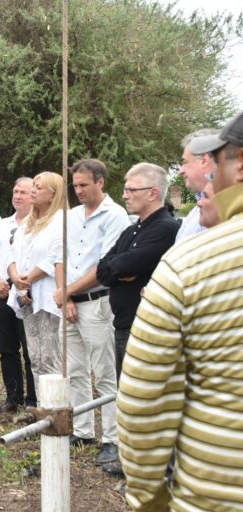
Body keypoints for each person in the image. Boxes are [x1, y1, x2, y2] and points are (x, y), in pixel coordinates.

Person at [117, 111, 243, 511]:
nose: (210, 179)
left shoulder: (188, 266)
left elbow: (144, 400)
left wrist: (149, 499)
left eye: (215, 165)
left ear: (239, 168)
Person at [95, 163, 178, 478]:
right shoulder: (132, 230)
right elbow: (105, 268)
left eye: (132, 190)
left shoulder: (166, 229)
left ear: (153, 193)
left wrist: (121, 269)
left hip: (149, 328)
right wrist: (121, 273)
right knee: (127, 396)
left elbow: (126, 263)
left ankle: (156, 469)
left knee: (149, 400)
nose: (125, 195)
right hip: (124, 324)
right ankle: (134, 462)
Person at [52, 159, 130, 465]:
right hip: (70, 302)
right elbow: (59, 257)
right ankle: (83, 429)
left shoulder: (116, 216)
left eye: (84, 185)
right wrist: (66, 296)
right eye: (75, 185)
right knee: (74, 371)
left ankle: (111, 437)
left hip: (98, 302)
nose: (79, 190)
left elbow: (105, 266)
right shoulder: (70, 216)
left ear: (101, 182)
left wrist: (69, 291)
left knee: (105, 372)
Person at [7, 172, 66, 395]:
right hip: (26, 296)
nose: (32, 191)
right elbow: (12, 254)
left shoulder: (60, 221)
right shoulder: (27, 224)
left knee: (51, 357)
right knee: (35, 357)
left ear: (53, 195)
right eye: (33, 186)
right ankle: (42, 411)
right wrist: (15, 277)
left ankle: (56, 412)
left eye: (38, 188)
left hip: (47, 297)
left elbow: (54, 258)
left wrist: (28, 280)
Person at [0, 177, 36, 413]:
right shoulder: (2, 224)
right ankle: (12, 396)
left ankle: (33, 399)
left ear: (33, 196)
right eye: (15, 191)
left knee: (29, 347)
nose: (17, 196)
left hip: (28, 290)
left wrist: (25, 286)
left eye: (23, 192)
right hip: (3, 289)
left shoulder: (39, 224)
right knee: (7, 347)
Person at [175, 129, 219, 241]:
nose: (181, 171)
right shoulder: (195, 211)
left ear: (204, 161)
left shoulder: (223, 209)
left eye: (185, 162)